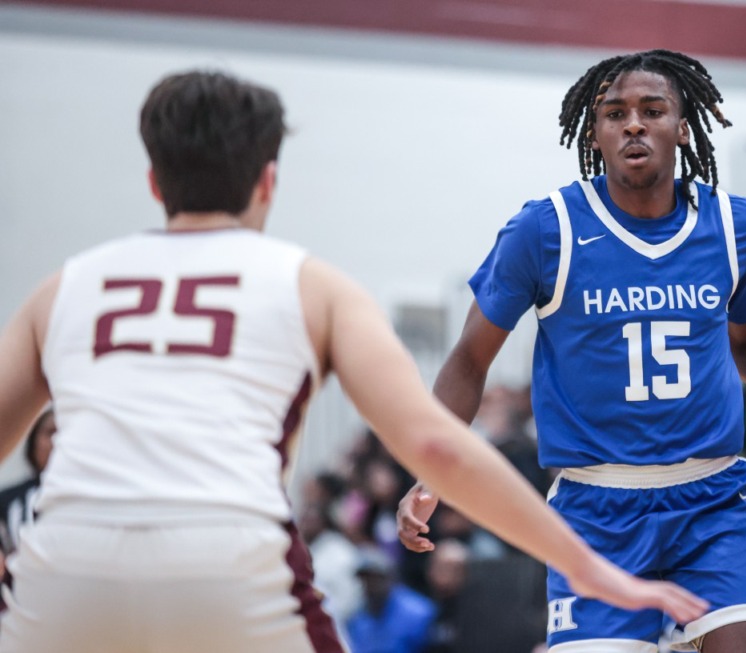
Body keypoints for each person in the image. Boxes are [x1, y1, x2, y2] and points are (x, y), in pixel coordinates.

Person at [0, 70, 707, 653]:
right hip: (226, 558)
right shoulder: (312, 285)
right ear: (267, 181)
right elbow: (435, 442)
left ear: (154, 182)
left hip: (63, 564)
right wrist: (587, 566)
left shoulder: (63, 287)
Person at [397, 49, 746, 653]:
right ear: (595, 131)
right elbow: (468, 360)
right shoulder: (545, 230)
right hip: (595, 507)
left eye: (653, 109)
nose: (633, 123)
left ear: (682, 128)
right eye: (615, 112)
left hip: (713, 498)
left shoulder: (734, 227)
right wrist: (432, 467)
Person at [0, 407, 55, 555]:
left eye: (66, 433)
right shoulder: (5, 500)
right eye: (51, 432)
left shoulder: (97, 497)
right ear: (33, 441)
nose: (57, 441)